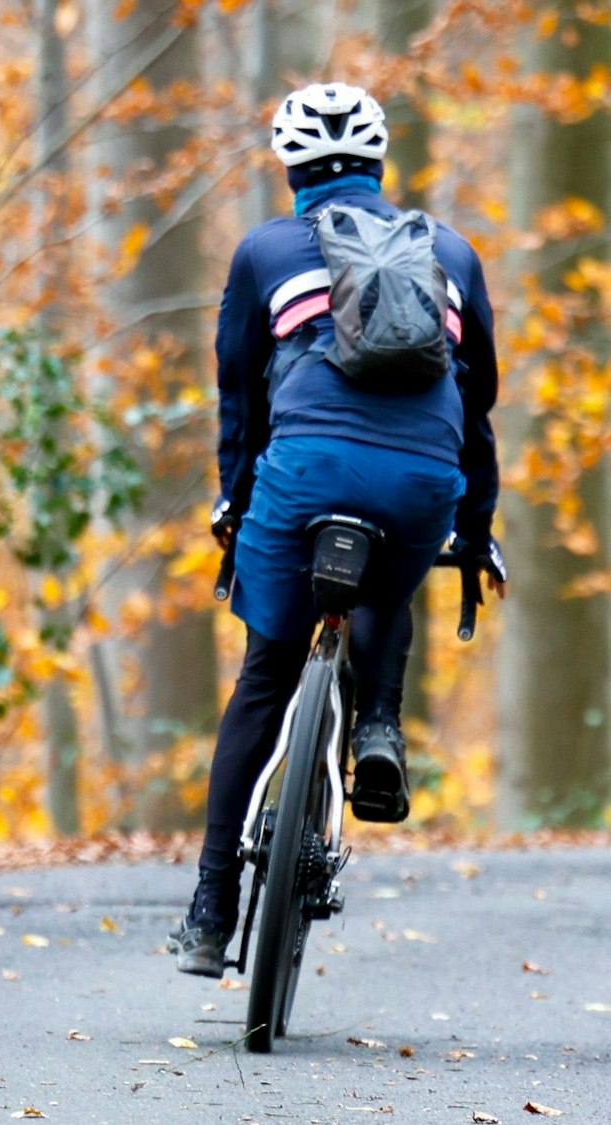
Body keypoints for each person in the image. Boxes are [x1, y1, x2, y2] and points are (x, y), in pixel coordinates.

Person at [170, 82, 508, 978]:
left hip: (303, 469)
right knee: (390, 583)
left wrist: (234, 498)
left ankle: (210, 908)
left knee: (266, 674)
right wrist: (475, 530)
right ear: (379, 164)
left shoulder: (264, 252)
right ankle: (379, 727)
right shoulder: (452, 252)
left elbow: (240, 395)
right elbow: (476, 413)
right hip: (423, 476)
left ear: (291, 171)